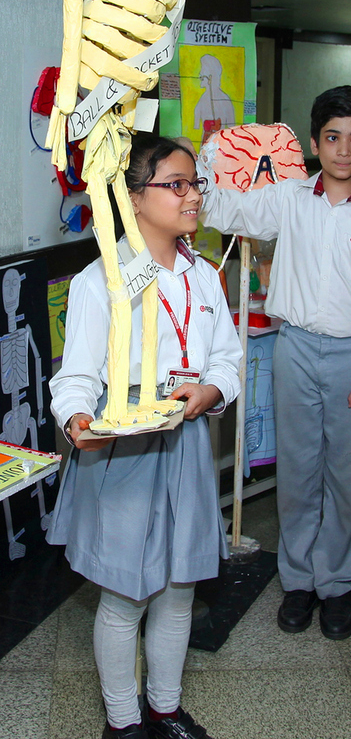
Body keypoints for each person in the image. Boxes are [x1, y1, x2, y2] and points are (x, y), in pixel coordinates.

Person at [47, 136, 241, 739]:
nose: (193, 195)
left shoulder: (205, 277)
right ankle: (124, 721)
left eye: (196, 184)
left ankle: (164, 705)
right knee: (125, 595)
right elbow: (75, 376)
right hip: (124, 443)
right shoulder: (99, 279)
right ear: (134, 199)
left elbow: (228, 362)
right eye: (177, 184)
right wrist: (78, 419)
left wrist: (211, 392)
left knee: (180, 589)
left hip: (183, 442)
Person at [198, 85, 351, 640]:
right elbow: (224, 206)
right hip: (295, 349)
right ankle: (297, 581)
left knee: (346, 476)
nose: (343, 149)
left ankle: (336, 583)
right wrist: (208, 158)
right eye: (332, 138)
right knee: (296, 472)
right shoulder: (289, 196)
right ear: (315, 142)